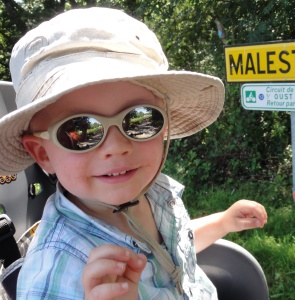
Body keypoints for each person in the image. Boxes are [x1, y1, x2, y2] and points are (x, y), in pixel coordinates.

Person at [0, 7, 268, 300]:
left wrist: (223, 222)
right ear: (42, 153)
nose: (117, 147)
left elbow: (171, 249)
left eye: (140, 120)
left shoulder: (152, 191)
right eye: (80, 131)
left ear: (164, 124)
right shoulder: (54, 271)